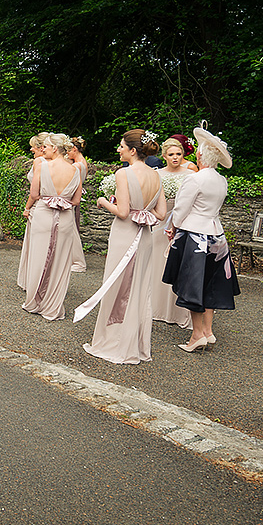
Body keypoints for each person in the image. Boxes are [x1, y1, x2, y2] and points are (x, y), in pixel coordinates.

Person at [75, 130, 167, 364]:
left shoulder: (124, 173)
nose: (118, 149)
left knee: (117, 284)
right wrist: (142, 211)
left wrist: (104, 201)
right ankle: (132, 342)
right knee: (137, 287)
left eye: (121, 146)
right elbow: (161, 213)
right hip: (144, 236)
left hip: (125, 234)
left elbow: (124, 213)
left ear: (133, 150)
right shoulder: (156, 176)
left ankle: (113, 341)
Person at [162, 126, 240, 352]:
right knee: (210, 284)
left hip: (194, 236)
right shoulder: (221, 181)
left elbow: (180, 210)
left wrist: (172, 229)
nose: (195, 153)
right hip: (217, 236)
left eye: (198, 151)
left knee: (192, 285)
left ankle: (197, 336)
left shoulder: (195, 180)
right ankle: (208, 331)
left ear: (202, 155)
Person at [17, 135, 84, 320]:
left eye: (46, 146)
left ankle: (34, 301)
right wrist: (62, 200)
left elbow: (34, 193)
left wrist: (49, 198)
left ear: (55, 148)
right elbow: (76, 201)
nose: (43, 149)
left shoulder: (42, 165)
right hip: (65, 219)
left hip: (44, 215)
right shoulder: (75, 170)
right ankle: (53, 306)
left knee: (38, 256)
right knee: (60, 261)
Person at [151, 137, 196, 329]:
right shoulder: (157, 174)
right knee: (156, 263)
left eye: (178, 154)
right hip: (160, 222)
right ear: (164, 156)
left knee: (178, 265)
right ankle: (155, 308)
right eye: (171, 154)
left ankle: (178, 311)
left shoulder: (191, 174)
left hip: (182, 223)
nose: (175, 157)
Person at [65, 136, 90, 255]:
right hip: (77, 195)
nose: (67, 153)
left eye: (68, 150)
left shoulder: (76, 166)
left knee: (70, 228)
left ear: (74, 149)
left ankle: (72, 254)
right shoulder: (83, 162)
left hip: (72, 196)